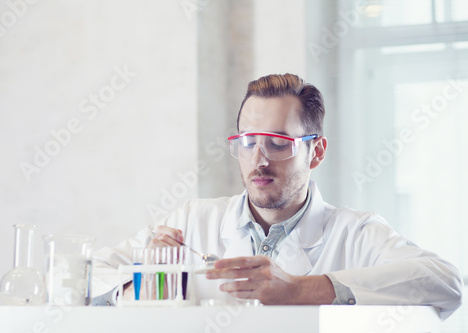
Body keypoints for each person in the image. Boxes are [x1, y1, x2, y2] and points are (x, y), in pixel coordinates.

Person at [92, 73, 463, 319]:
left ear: (315, 152)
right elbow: (83, 279)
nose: (259, 158)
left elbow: (444, 282)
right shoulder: (190, 222)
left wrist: (303, 289)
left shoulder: (356, 233)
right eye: (248, 141)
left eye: (278, 143)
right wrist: (146, 283)